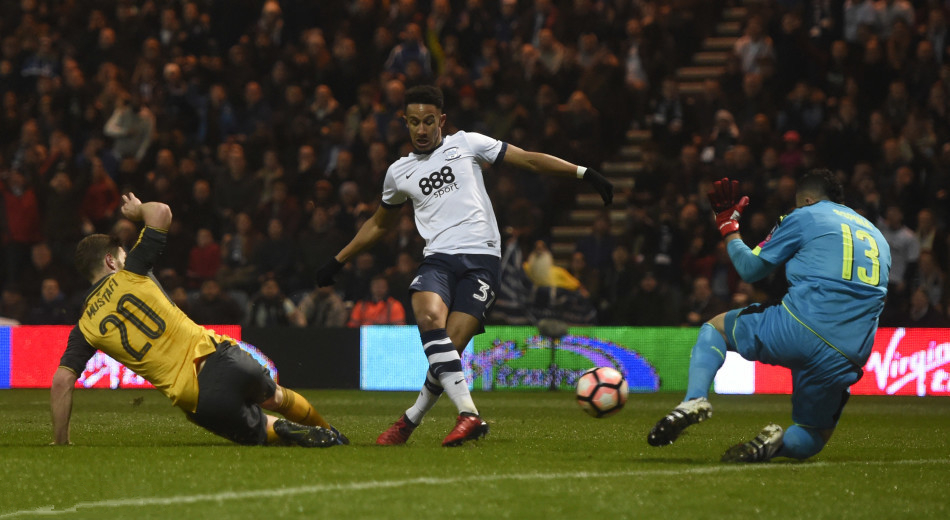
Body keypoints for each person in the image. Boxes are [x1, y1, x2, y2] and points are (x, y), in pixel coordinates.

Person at [315, 85, 613, 447]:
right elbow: (380, 224)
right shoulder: (399, 173)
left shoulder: (467, 143)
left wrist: (584, 173)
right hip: (438, 258)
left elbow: (530, 159)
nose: (421, 130)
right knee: (428, 320)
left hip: (482, 260)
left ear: (441, 120)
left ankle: (409, 421)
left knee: (449, 349)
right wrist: (337, 260)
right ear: (405, 124)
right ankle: (468, 414)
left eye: (428, 121)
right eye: (413, 122)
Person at [50, 193, 346, 448]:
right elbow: (162, 212)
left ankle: (279, 428)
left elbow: (62, 381)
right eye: (122, 256)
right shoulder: (134, 272)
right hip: (224, 356)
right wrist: (138, 210)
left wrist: (61, 441)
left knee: (260, 429)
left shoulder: (85, 326)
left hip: (199, 396)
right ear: (111, 262)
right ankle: (330, 432)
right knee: (277, 397)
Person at [647, 170, 890, 462]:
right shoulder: (878, 237)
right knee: (814, 434)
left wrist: (728, 226)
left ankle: (694, 400)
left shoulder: (805, 215)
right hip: (848, 353)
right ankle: (775, 446)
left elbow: (750, 269)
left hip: (799, 326)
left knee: (716, 329)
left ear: (808, 200)